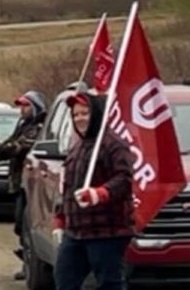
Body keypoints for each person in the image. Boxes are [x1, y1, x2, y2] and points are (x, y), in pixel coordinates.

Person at [53, 92, 134, 290]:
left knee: (109, 283)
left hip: (107, 232)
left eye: (85, 113)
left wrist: (100, 193)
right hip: (75, 232)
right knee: (64, 279)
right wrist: (60, 219)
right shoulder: (77, 147)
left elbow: (124, 179)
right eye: (75, 115)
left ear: (97, 114)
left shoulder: (114, 145)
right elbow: (67, 188)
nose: (79, 118)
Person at [0, 90, 46, 280]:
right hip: (20, 183)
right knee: (20, 224)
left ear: (36, 107)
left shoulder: (39, 127)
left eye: (25, 105)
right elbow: (8, 144)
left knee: (26, 224)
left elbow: (17, 148)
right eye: (20, 105)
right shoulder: (23, 125)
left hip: (33, 183)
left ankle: (31, 264)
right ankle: (27, 261)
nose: (21, 109)